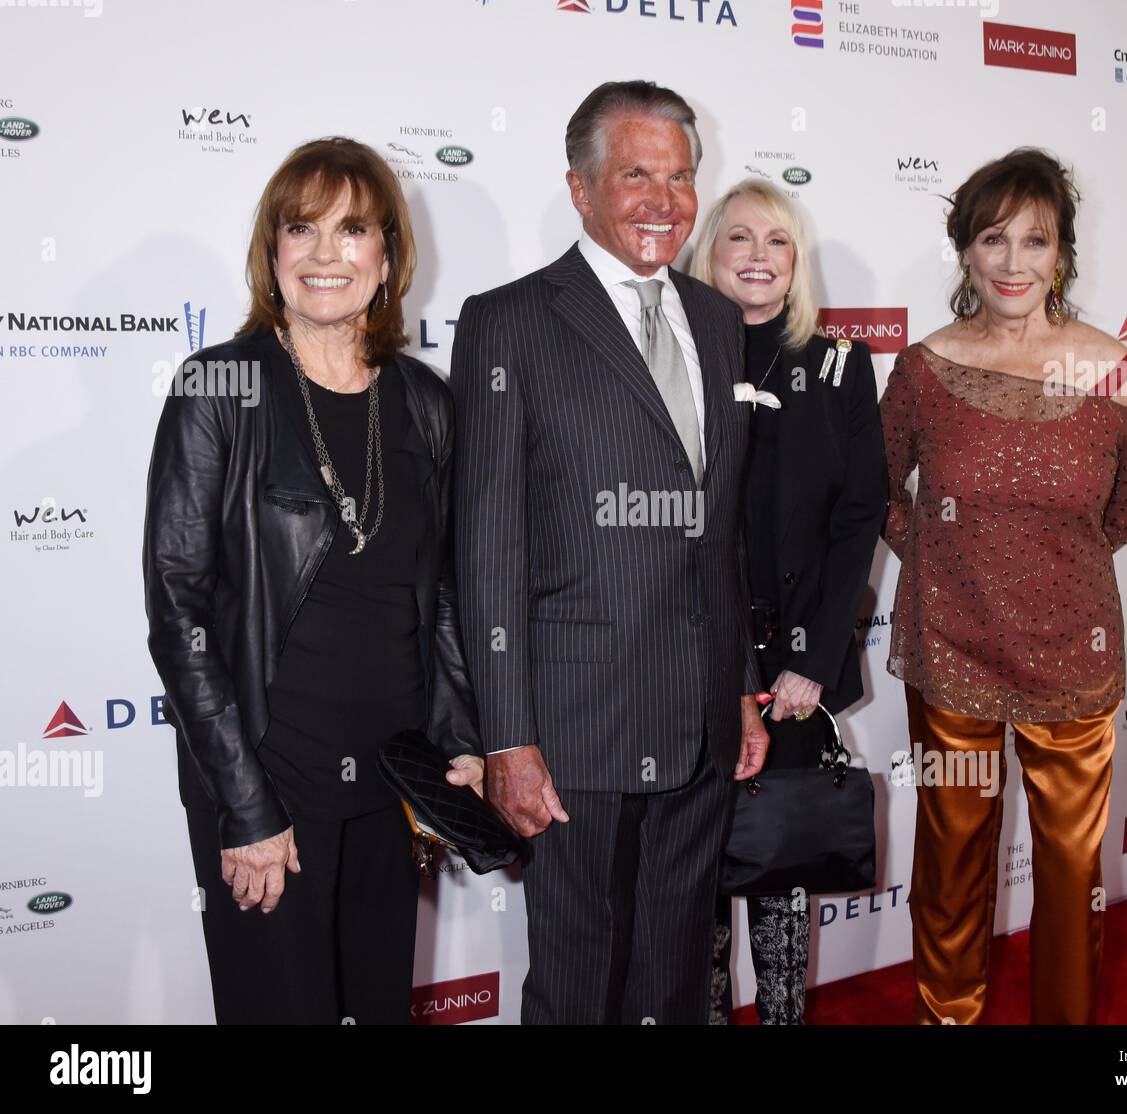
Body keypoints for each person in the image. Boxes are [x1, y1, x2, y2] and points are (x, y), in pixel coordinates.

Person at [143, 137, 483, 1025]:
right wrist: (245, 805)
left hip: (388, 786)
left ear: (387, 257)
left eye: (353, 230)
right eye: (303, 228)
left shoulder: (424, 400)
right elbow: (176, 608)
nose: (326, 253)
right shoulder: (219, 385)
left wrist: (461, 746)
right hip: (271, 777)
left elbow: (441, 594)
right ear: (273, 250)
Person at [450, 80, 769, 1025]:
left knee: (674, 976)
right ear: (580, 188)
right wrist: (506, 736)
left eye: (681, 177)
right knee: (579, 977)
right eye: (637, 175)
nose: (664, 202)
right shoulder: (508, 320)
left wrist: (741, 685)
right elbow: (486, 545)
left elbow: (724, 532)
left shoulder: (716, 321)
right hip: (574, 722)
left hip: (702, 711)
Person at [879, 147, 1127, 1024]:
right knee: (952, 858)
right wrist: (946, 569)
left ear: (1062, 254)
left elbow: (1126, 511)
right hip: (951, 652)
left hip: (1074, 658)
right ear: (965, 250)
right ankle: (946, 1017)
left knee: (1073, 877)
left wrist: (1042, 572)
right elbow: (883, 495)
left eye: (1034, 241)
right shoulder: (924, 370)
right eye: (992, 238)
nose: (1012, 263)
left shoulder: (1116, 372)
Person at [691, 179, 887, 1024]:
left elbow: (859, 516)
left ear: (796, 260)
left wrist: (812, 661)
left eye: (777, 240)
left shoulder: (840, 361)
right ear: (711, 254)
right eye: (740, 239)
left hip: (796, 663)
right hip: (692, 654)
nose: (759, 257)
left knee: (778, 864)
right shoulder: (678, 355)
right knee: (694, 870)